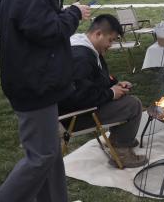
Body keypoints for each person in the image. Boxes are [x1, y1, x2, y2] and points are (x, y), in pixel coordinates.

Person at [0, 0, 90, 202]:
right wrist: (73, 13)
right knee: (42, 155)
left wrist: (63, 11)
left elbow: (36, 24)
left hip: (37, 79)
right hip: (33, 82)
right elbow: (45, 30)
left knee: (50, 152)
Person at [58, 14, 147, 168]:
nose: (110, 45)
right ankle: (121, 152)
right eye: (110, 40)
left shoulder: (86, 47)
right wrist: (111, 93)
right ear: (98, 34)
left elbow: (96, 78)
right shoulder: (81, 57)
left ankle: (118, 140)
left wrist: (115, 84)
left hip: (81, 108)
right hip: (75, 117)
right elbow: (78, 97)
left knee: (124, 99)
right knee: (133, 105)